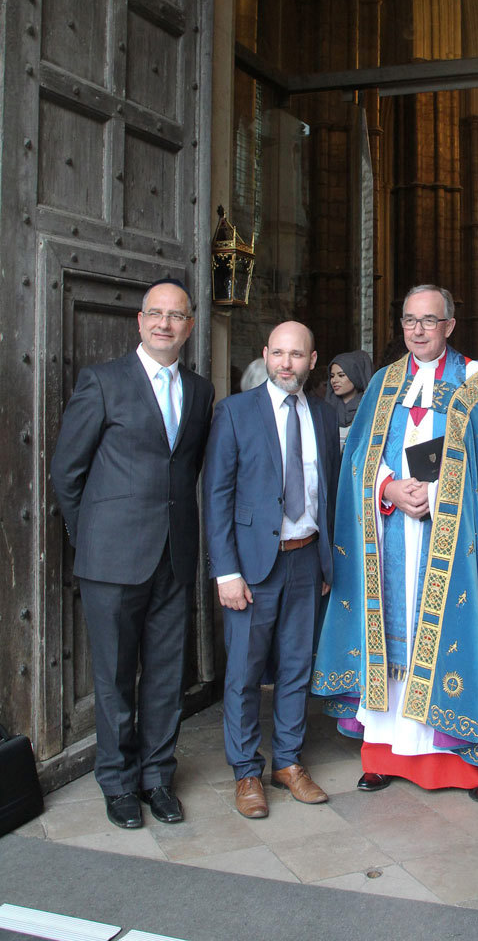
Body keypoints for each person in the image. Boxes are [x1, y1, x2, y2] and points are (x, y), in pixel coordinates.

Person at [312, 285, 478, 801]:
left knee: (451, 640)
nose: (417, 330)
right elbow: (359, 459)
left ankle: (465, 765)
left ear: (449, 326)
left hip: (452, 540)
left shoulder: (475, 380)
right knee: (392, 642)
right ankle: (382, 756)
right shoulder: (384, 382)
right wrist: (389, 488)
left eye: (429, 321)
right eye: (410, 320)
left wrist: (438, 495)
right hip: (390, 532)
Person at [50, 279, 214, 829]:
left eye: (177, 315)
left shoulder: (200, 391)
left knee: (167, 676)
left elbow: (185, 470)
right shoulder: (102, 381)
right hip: (112, 559)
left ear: (189, 326)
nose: (165, 324)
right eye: (156, 314)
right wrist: (92, 537)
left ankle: (157, 777)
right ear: (139, 322)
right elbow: (67, 471)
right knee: (116, 677)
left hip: (174, 555)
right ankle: (118, 782)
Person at [203, 321, 339, 819]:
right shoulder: (235, 412)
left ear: (312, 360)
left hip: (306, 558)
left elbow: (329, 493)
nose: (286, 363)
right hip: (252, 566)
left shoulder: (323, 415)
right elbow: (216, 496)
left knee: (297, 667)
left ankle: (288, 761)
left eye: (296, 354)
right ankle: (246, 771)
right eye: (278, 353)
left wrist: (326, 561)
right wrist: (225, 572)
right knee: (243, 672)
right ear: (265, 354)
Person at [325, 349, 373, 451]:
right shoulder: (326, 408)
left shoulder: (368, 409)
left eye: (341, 375)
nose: (334, 380)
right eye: (332, 376)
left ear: (355, 376)